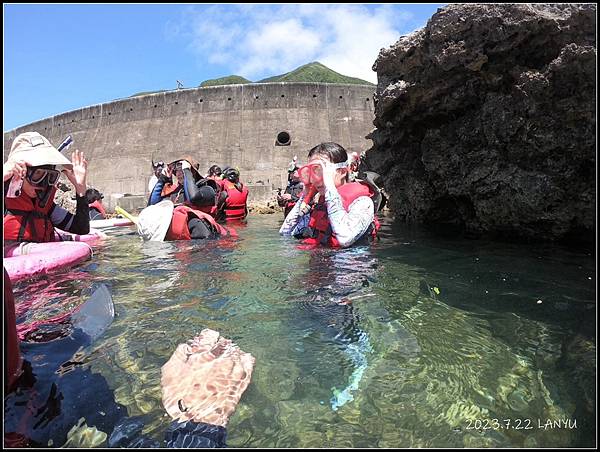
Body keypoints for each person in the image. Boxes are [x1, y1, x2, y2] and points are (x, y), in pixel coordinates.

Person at [279, 142, 381, 248]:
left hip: (348, 263)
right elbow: (285, 233)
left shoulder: (363, 202)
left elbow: (345, 238)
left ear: (342, 172)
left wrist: (330, 187)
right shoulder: (320, 203)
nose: (315, 178)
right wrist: (305, 195)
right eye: (311, 172)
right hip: (320, 261)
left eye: (321, 170)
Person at [3, 132, 90, 248]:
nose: (43, 184)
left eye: (50, 176)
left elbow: (81, 228)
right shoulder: (5, 198)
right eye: (37, 174)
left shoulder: (46, 205)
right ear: (19, 170)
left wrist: (81, 189)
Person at [140, 156, 234, 241]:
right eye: (177, 171)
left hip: (207, 241)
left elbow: (193, 197)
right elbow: (152, 208)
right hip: (181, 243)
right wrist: (162, 179)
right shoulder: (175, 194)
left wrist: (187, 171)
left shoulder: (207, 189)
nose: (179, 173)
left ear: (191, 171)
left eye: (182, 170)